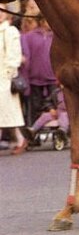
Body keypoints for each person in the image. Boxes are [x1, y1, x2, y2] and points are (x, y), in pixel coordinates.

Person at [20, 6, 57, 126]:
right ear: (41, 21)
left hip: (53, 78)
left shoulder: (56, 37)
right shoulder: (29, 37)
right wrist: (26, 79)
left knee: (55, 106)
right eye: (48, 20)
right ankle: (33, 133)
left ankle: (59, 132)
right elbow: (27, 57)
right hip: (34, 79)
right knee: (34, 107)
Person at [0, 8, 27, 155]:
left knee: (7, 112)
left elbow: (14, 54)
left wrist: (9, 73)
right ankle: (20, 139)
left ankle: (20, 139)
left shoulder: (10, 31)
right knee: (6, 114)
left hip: (5, 78)